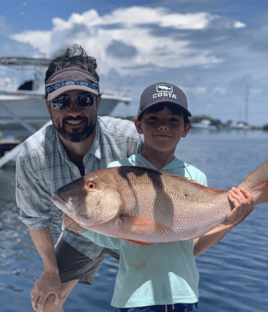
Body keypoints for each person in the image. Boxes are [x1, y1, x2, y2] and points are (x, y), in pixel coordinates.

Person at [63, 82, 254, 312]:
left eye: (173, 120)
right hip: (134, 298)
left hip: (183, 296)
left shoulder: (194, 176)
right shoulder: (118, 170)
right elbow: (116, 239)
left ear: (186, 129)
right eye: (153, 119)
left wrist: (230, 221)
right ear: (138, 125)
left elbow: (192, 245)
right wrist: (82, 227)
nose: (163, 126)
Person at [15, 44, 144, 312]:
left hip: (132, 231)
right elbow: (35, 219)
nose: (73, 111)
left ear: (97, 102)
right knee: (45, 303)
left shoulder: (131, 140)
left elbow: (162, 193)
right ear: (48, 106)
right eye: (62, 101)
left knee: (163, 292)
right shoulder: (31, 155)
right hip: (81, 238)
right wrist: (50, 271)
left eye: (84, 100)